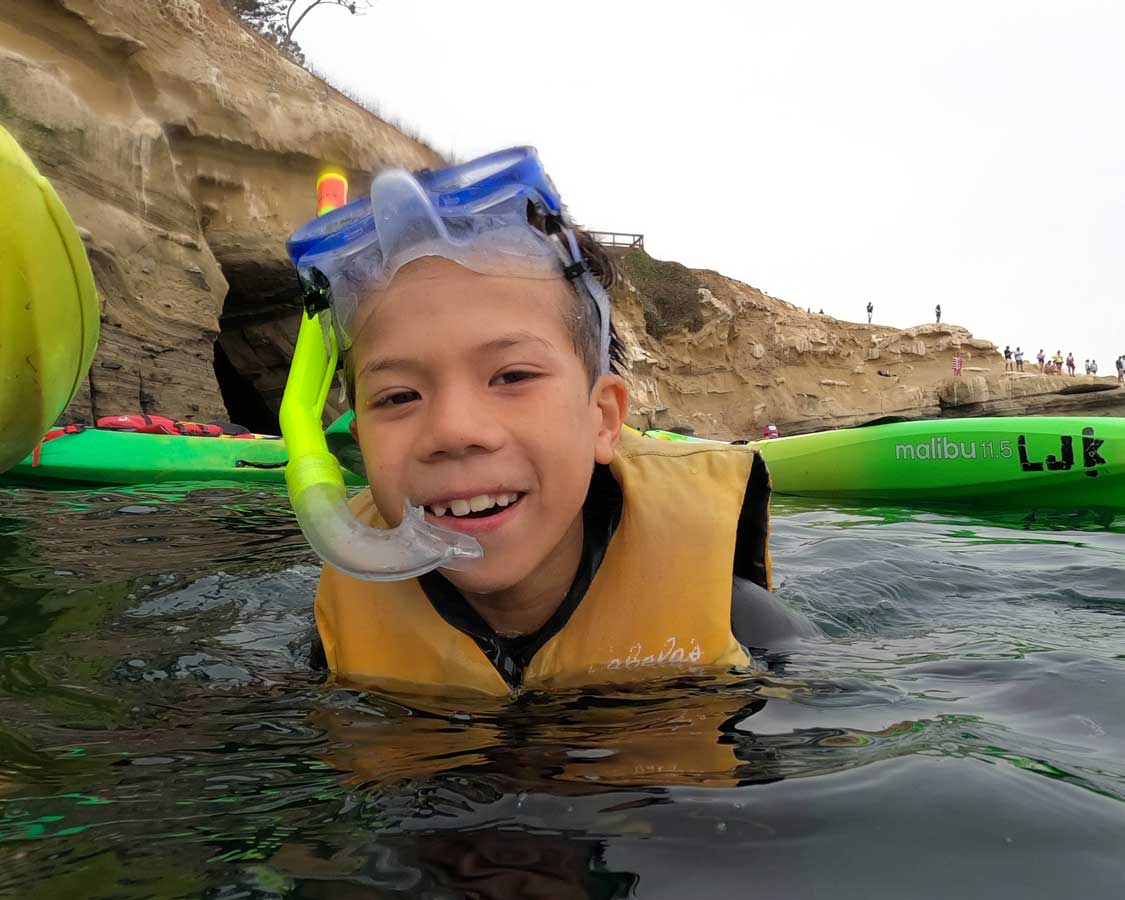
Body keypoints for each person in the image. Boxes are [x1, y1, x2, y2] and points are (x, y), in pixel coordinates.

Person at [285, 147, 814, 697]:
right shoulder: (332, 640)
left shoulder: (740, 625)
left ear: (603, 419)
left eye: (512, 377)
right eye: (397, 397)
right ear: (359, 438)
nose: (453, 431)